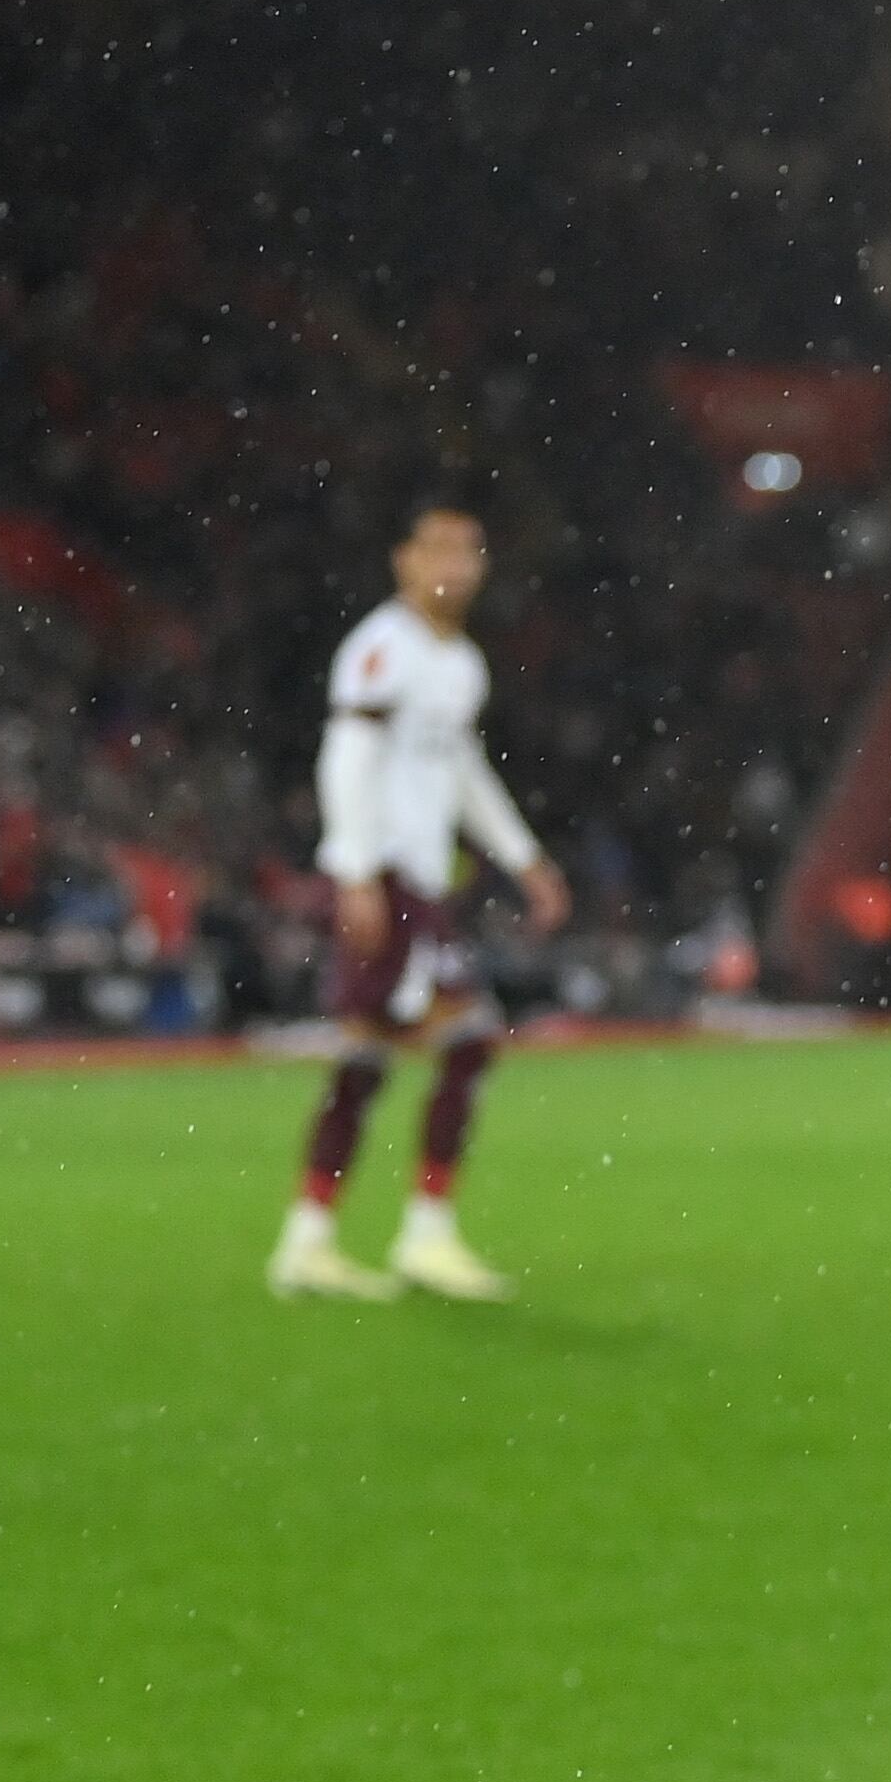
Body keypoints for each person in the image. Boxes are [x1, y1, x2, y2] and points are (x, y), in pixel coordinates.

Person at [269, 502, 570, 1304]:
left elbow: (462, 771)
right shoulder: (382, 648)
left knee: (365, 1057)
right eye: (438, 550)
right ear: (403, 559)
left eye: (469, 551)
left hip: (418, 884)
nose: (454, 566)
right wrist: (359, 871)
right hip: (391, 880)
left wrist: (524, 857)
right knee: (467, 1040)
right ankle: (423, 1235)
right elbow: (347, 758)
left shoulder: (461, 662)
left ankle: (310, 1240)